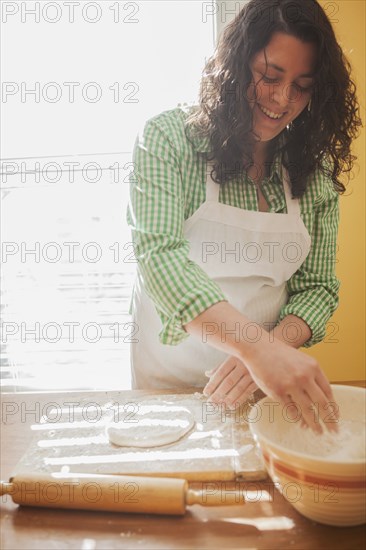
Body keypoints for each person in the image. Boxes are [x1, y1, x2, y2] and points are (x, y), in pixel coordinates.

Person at [126, 0, 361, 432]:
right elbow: (160, 257)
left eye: (302, 86)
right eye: (270, 76)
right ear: (236, 63)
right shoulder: (168, 140)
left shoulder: (315, 172)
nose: (282, 99)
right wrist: (256, 349)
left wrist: (268, 352)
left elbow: (318, 289)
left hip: (263, 388)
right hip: (166, 385)